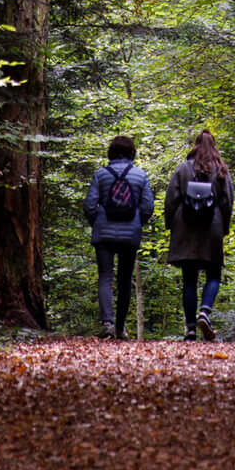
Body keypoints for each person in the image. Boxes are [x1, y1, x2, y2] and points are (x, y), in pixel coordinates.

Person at [163, 128, 235, 340]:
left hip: (185, 229)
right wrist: (224, 228)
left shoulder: (182, 169)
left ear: (195, 146)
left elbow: (170, 200)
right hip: (212, 229)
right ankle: (205, 311)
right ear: (214, 147)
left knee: (189, 279)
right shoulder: (221, 171)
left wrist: (171, 226)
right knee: (213, 273)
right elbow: (228, 202)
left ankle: (191, 328)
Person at [83, 134, 154, 339]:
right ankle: (121, 327)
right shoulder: (140, 175)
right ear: (132, 152)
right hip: (129, 234)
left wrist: (97, 221)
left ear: (111, 152)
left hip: (104, 233)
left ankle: (107, 324)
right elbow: (148, 206)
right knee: (124, 279)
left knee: (105, 276)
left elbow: (90, 204)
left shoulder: (101, 174)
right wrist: (137, 223)